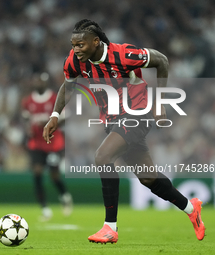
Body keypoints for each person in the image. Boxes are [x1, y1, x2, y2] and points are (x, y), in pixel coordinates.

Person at [43, 19, 205, 243]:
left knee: (102, 156)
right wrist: (54, 116)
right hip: (112, 120)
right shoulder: (75, 61)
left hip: (138, 113)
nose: (75, 50)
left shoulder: (123, 54)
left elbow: (162, 60)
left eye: (80, 45)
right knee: (148, 178)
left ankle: (110, 227)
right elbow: (68, 86)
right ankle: (191, 208)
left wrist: (159, 101)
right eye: (73, 45)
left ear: (96, 42)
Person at [22, 72, 73, 221]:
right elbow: (26, 118)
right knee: (37, 172)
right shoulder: (28, 101)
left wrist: (50, 124)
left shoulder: (54, 98)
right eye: (36, 81)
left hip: (53, 143)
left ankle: (64, 195)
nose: (38, 84)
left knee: (54, 175)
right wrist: (28, 128)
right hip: (36, 143)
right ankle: (45, 208)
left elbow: (64, 118)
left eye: (41, 81)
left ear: (46, 83)